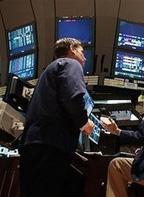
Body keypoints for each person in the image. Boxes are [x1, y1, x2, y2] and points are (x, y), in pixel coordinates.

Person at [19, 38, 94, 197]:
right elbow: (73, 97)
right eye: (82, 52)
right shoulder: (71, 64)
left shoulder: (48, 72)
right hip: (52, 145)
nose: (85, 58)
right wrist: (84, 123)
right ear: (72, 49)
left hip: (34, 144)